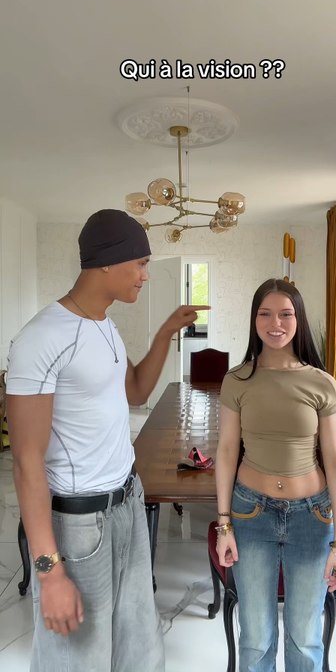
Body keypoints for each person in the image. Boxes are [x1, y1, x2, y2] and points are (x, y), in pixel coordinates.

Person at [6, 209, 209, 672]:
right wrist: (49, 572)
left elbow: (135, 390)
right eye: (140, 263)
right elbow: (25, 462)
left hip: (127, 504)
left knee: (140, 651)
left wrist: (165, 333)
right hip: (79, 524)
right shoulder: (41, 338)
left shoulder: (104, 325)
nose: (145, 275)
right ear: (106, 262)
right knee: (78, 659)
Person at [215, 278, 336, 672]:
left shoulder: (321, 382)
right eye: (266, 314)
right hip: (250, 514)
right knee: (255, 641)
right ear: (254, 319)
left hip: (312, 517)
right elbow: (227, 451)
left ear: (298, 319)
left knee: (304, 640)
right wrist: (224, 525)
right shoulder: (237, 380)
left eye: (286, 314)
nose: (276, 323)